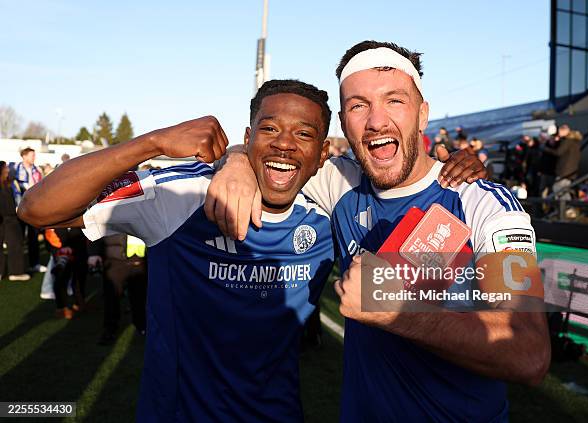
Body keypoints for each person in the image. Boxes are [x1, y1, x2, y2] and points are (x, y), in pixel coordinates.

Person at [19, 79, 483, 422]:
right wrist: (154, 142)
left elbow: (407, 192)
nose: (285, 143)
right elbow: (37, 209)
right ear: (249, 133)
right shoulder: (180, 195)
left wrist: (459, 167)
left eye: (304, 134)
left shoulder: (330, 214)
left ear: (323, 152)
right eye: (270, 130)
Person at [208, 40, 550, 422]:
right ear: (343, 121)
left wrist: (396, 310)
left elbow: (529, 352)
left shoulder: (485, 205)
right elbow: (274, 150)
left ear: (422, 114)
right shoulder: (339, 181)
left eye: (394, 101)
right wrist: (236, 160)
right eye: (358, 105)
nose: (376, 121)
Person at [89, 234, 148, 345]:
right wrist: (94, 253)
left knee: (140, 295)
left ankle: (141, 325)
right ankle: (110, 329)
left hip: (140, 258)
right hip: (115, 260)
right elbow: (96, 229)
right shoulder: (107, 215)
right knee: (111, 297)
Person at [15, 147, 46, 273]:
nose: (34, 157)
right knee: (18, 238)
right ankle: (18, 266)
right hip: (20, 208)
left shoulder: (37, 170)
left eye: (34, 155)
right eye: (32, 155)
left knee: (33, 237)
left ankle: (34, 264)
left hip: (33, 209)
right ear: (24, 156)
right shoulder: (15, 169)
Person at [0, 161, 29, 281]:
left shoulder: (9, 183)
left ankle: (15, 272)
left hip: (11, 218)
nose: (8, 169)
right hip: (4, 218)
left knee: (15, 244)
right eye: (5, 168)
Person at [545, 124, 582, 201]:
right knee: (563, 190)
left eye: (559, 131)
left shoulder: (567, 141)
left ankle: (567, 209)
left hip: (564, 171)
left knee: (558, 189)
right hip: (571, 171)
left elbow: (558, 152)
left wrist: (546, 149)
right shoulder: (575, 142)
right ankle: (567, 208)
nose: (558, 133)